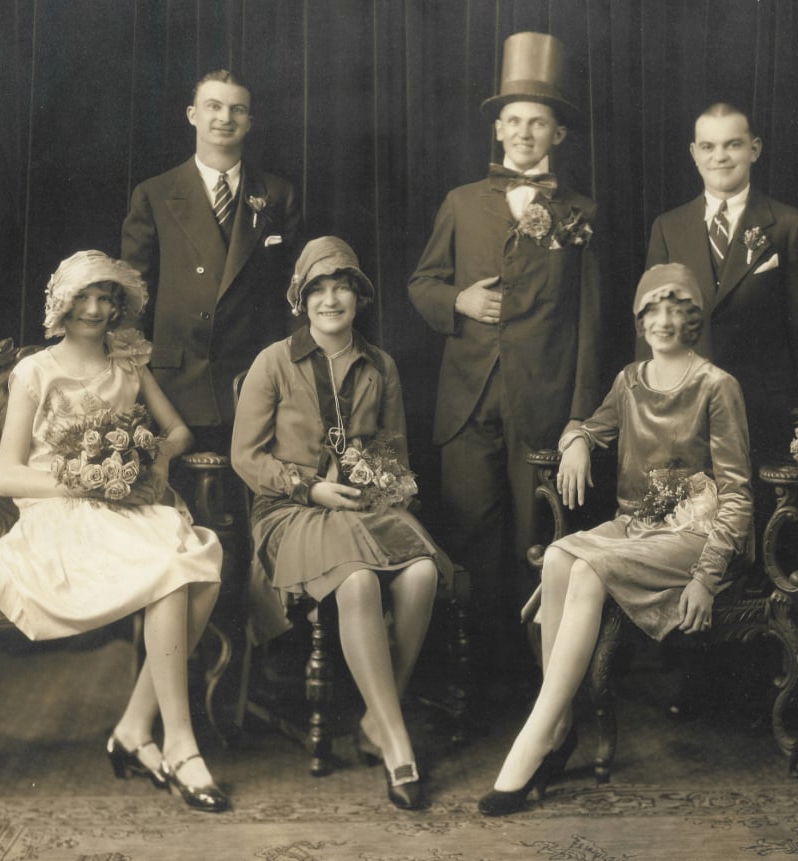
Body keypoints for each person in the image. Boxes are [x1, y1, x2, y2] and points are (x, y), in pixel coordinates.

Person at [478, 263, 754, 816]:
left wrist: (707, 577)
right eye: (653, 309)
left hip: (696, 534)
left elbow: (738, 494)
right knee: (559, 557)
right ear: (640, 319)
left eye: (676, 309)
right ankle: (561, 728)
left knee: (588, 568)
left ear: (692, 319)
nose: (664, 321)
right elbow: (589, 425)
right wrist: (578, 441)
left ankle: (536, 737)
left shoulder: (716, 385)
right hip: (636, 527)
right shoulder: (629, 380)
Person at [0, 251, 228, 812]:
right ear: (62, 303)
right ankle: (181, 744)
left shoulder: (128, 364)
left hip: (124, 503)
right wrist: (82, 480)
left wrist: (155, 456)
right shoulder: (36, 371)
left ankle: (134, 727)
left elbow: (179, 432)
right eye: (84, 297)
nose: (95, 309)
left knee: (202, 570)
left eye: (106, 298)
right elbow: (7, 476)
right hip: (61, 513)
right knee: (174, 569)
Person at [408, 32, 602, 685]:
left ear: (558, 135)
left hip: (541, 405)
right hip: (467, 403)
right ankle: (474, 682)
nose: (524, 133)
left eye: (537, 123)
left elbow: (592, 324)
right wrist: (458, 300)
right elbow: (422, 284)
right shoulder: (462, 202)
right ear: (497, 129)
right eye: (514, 121)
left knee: (536, 541)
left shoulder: (579, 214)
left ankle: (539, 685)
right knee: (469, 538)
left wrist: (579, 419)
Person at [232, 236, 451, 811]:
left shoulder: (381, 366)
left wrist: (382, 487)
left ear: (359, 297)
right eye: (318, 289)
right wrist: (309, 487)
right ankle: (397, 743)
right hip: (291, 510)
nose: (331, 299)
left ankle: (376, 720)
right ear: (301, 300)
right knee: (356, 581)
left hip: (362, 507)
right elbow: (245, 457)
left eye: (342, 287)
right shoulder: (273, 362)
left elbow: (395, 453)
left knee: (423, 574)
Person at [121, 69, 301, 452]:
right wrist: (136, 376)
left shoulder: (277, 194)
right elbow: (133, 296)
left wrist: (291, 370)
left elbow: (296, 293)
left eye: (238, 109)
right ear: (192, 114)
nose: (225, 118)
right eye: (213, 106)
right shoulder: (154, 194)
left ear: (249, 122)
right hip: (176, 385)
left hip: (254, 379)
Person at [645, 102, 798, 463]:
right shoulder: (668, 228)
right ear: (694, 153)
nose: (720, 157)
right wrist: (650, 409)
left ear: (754, 149)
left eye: (733, 145)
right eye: (708, 146)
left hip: (766, 412)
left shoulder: (788, 224)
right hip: (685, 408)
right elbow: (649, 329)